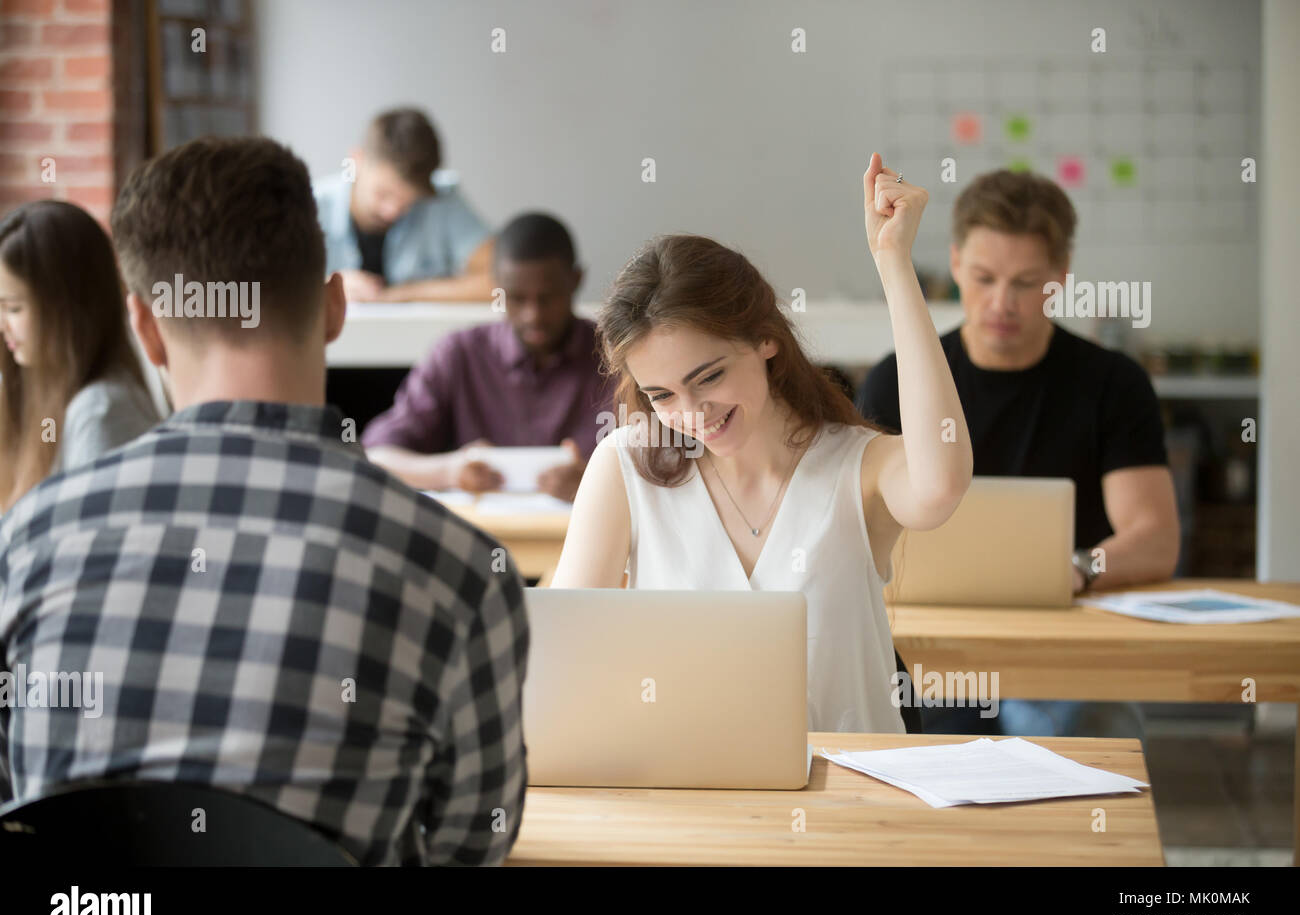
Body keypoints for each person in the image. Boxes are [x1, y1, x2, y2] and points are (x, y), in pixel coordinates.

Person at [0, 136, 528, 866]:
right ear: (335, 307)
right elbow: (473, 849)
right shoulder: (461, 573)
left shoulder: (27, 540)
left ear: (147, 329)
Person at [550, 154, 973, 734]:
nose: (693, 414)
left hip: (854, 808)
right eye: (662, 395)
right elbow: (569, 658)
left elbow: (942, 482)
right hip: (690, 796)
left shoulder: (858, 467)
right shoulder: (626, 466)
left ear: (765, 340)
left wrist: (893, 262)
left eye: (708, 377)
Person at [856, 168, 1179, 738]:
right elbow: (860, 533)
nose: (1002, 302)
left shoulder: (1113, 382)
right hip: (933, 648)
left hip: (1065, 644)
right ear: (955, 265)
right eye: (983, 277)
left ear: (1060, 278)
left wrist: (1079, 568)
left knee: (1071, 738)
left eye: (1027, 282)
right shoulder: (897, 380)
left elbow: (1153, 538)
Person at [363, 212, 615, 502]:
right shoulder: (458, 354)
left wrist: (601, 482)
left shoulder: (616, 357)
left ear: (576, 280)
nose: (533, 316)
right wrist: (448, 471)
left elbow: (666, 462)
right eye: (517, 298)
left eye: (547, 298)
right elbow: (378, 456)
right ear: (497, 288)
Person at [0, 200, 160, 511]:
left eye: (14, 308)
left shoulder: (102, 412)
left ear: (67, 309)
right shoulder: (30, 395)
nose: (2, 324)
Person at [314, 107, 493, 303]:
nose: (392, 211)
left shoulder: (441, 200)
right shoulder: (310, 206)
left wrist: (402, 293)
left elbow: (499, 283)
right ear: (356, 160)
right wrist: (323, 287)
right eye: (382, 194)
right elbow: (275, 285)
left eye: (408, 201)